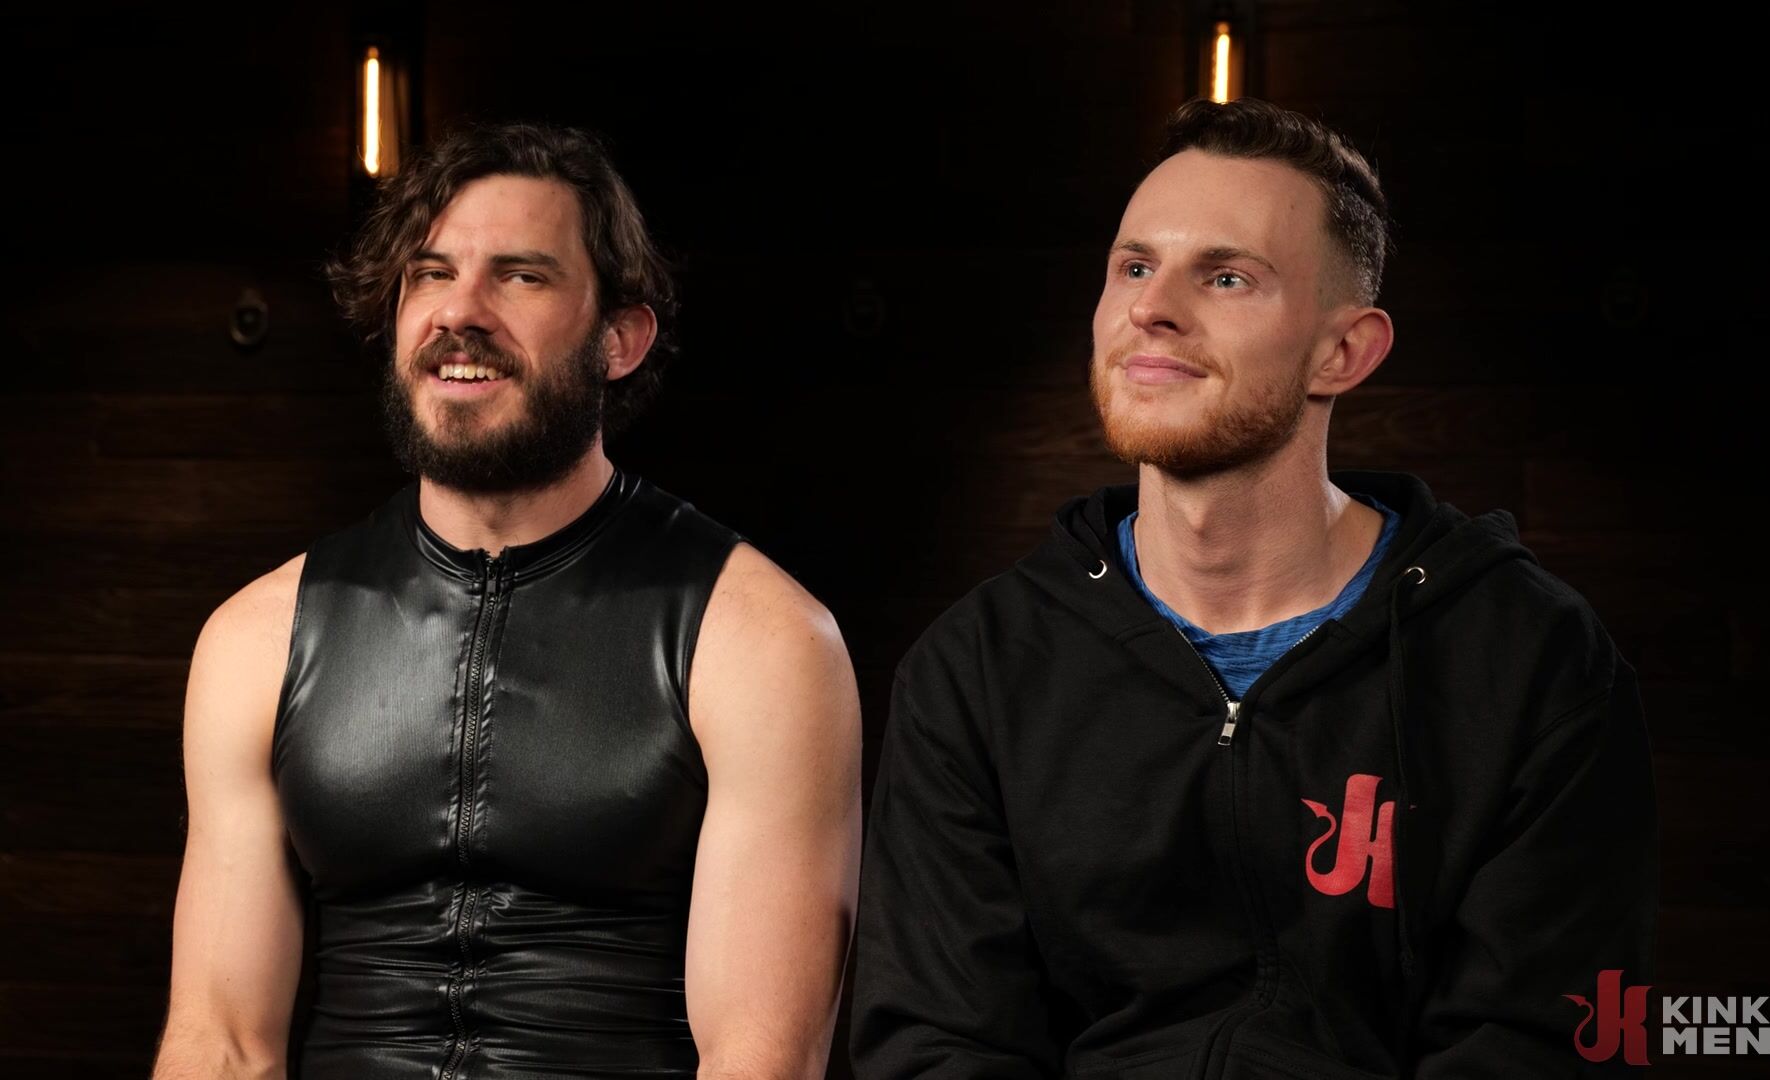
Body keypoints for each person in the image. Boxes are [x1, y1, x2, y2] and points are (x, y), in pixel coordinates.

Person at [851, 98, 1656, 1077]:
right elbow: (939, 1042)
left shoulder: (1532, 658)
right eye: (1134, 267)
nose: (1152, 308)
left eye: (1226, 276)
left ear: (1342, 352)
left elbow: (1541, 1043)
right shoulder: (977, 669)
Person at [152, 122, 862, 1079]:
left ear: (619, 339)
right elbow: (222, 1044)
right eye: (431, 274)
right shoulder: (254, 638)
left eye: (521, 276)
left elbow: (759, 1058)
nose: (461, 312)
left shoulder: (765, 641)